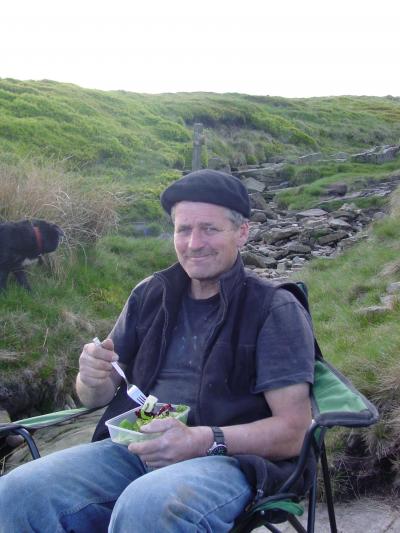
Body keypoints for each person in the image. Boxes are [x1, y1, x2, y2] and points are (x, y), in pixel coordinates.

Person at [0, 170, 315, 533]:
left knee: (147, 506)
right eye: (183, 229)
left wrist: (202, 439)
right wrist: (90, 376)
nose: (194, 243)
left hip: (228, 458)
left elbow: (293, 431)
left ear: (241, 232)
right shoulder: (151, 293)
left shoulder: (274, 309)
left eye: (209, 229)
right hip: (138, 446)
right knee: (15, 493)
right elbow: (94, 395)